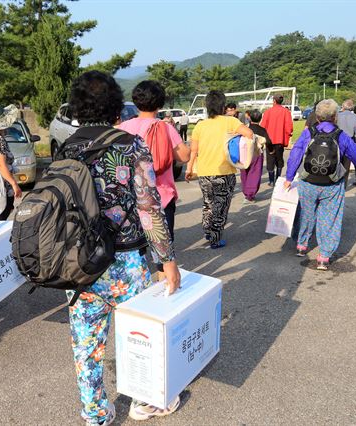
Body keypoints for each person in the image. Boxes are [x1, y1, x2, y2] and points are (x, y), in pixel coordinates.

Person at [60, 71, 182, 425]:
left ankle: (95, 412)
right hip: (126, 260)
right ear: (117, 107)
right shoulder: (129, 145)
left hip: (80, 261)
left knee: (86, 342)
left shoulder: (68, 147)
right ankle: (144, 402)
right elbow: (148, 206)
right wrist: (166, 259)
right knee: (141, 334)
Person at [284, 99, 356, 270]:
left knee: (306, 212)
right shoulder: (341, 136)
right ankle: (324, 256)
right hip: (332, 184)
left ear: (317, 117)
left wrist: (289, 177)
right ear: (335, 117)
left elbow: (295, 154)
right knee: (330, 218)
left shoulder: (308, 133)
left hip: (307, 181)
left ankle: (302, 246)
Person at [119, 80, 190, 276]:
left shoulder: (122, 127)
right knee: (163, 249)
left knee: (136, 249)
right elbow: (184, 156)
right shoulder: (164, 127)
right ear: (159, 103)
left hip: (131, 198)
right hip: (161, 196)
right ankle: (163, 280)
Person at [185, 90, 254, 249]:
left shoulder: (200, 125)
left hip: (204, 172)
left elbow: (193, 151)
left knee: (208, 203)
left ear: (207, 106)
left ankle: (208, 231)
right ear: (223, 106)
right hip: (224, 173)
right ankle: (215, 239)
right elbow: (249, 134)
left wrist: (189, 169)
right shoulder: (230, 122)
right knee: (221, 206)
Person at [260, 94, 293, 186]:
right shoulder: (286, 112)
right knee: (279, 159)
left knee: (270, 160)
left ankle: (271, 181)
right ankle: (278, 179)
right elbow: (289, 127)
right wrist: (288, 135)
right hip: (280, 140)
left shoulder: (268, 112)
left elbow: (263, 126)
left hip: (269, 141)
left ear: (274, 101)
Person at [240, 109, 270, 204]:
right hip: (257, 154)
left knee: (244, 172)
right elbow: (268, 141)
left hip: (244, 153)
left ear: (249, 117)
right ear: (261, 119)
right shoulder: (262, 130)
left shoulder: (246, 128)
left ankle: (246, 192)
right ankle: (250, 195)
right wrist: (271, 150)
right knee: (254, 174)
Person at [336, 99, 356, 186]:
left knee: (337, 162)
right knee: (346, 165)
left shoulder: (337, 116)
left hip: (338, 140)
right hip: (349, 141)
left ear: (343, 106)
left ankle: (336, 183)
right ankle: (344, 185)